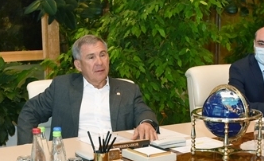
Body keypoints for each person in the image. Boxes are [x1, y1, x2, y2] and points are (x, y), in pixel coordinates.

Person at [17, 35, 159, 144]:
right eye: (91, 57)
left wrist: (146, 123)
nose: (99, 62)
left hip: (118, 157)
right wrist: (30, 149)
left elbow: (144, 112)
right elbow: (29, 112)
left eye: (102, 55)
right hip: (74, 160)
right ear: (79, 65)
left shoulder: (128, 89)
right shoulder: (62, 87)